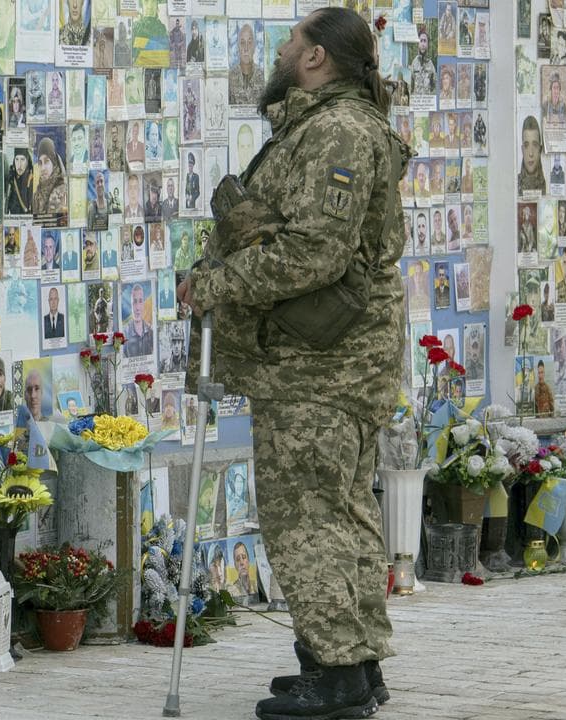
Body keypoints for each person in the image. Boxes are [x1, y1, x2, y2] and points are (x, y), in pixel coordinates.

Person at [176, 9, 403, 717]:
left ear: (316, 59)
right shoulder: (323, 123)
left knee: (305, 514)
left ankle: (335, 678)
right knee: (342, 510)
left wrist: (216, 283)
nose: (280, 49)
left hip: (323, 365)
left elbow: (316, 253)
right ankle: (351, 663)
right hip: (329, 361)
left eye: (292, 41)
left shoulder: (338, 131)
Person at [230, 22, 265, 105]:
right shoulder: (230, 77)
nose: (246, 48)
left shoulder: (263, 77)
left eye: (249, 43)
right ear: (238, 47)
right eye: (242, 43)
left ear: (254, 47)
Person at [122, 283, 152, 357]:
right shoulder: (124, 334)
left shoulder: (151, 332)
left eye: (140, 301)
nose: (137, 307)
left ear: (144, 304)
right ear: (131, 305)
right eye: (134, 302)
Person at [517, 116, 546, 193]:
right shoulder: (515, 183)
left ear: (540, 149)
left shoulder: (548, 184)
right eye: (526, 145)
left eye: (535, 145)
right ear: (522, 150)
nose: (530, 153)